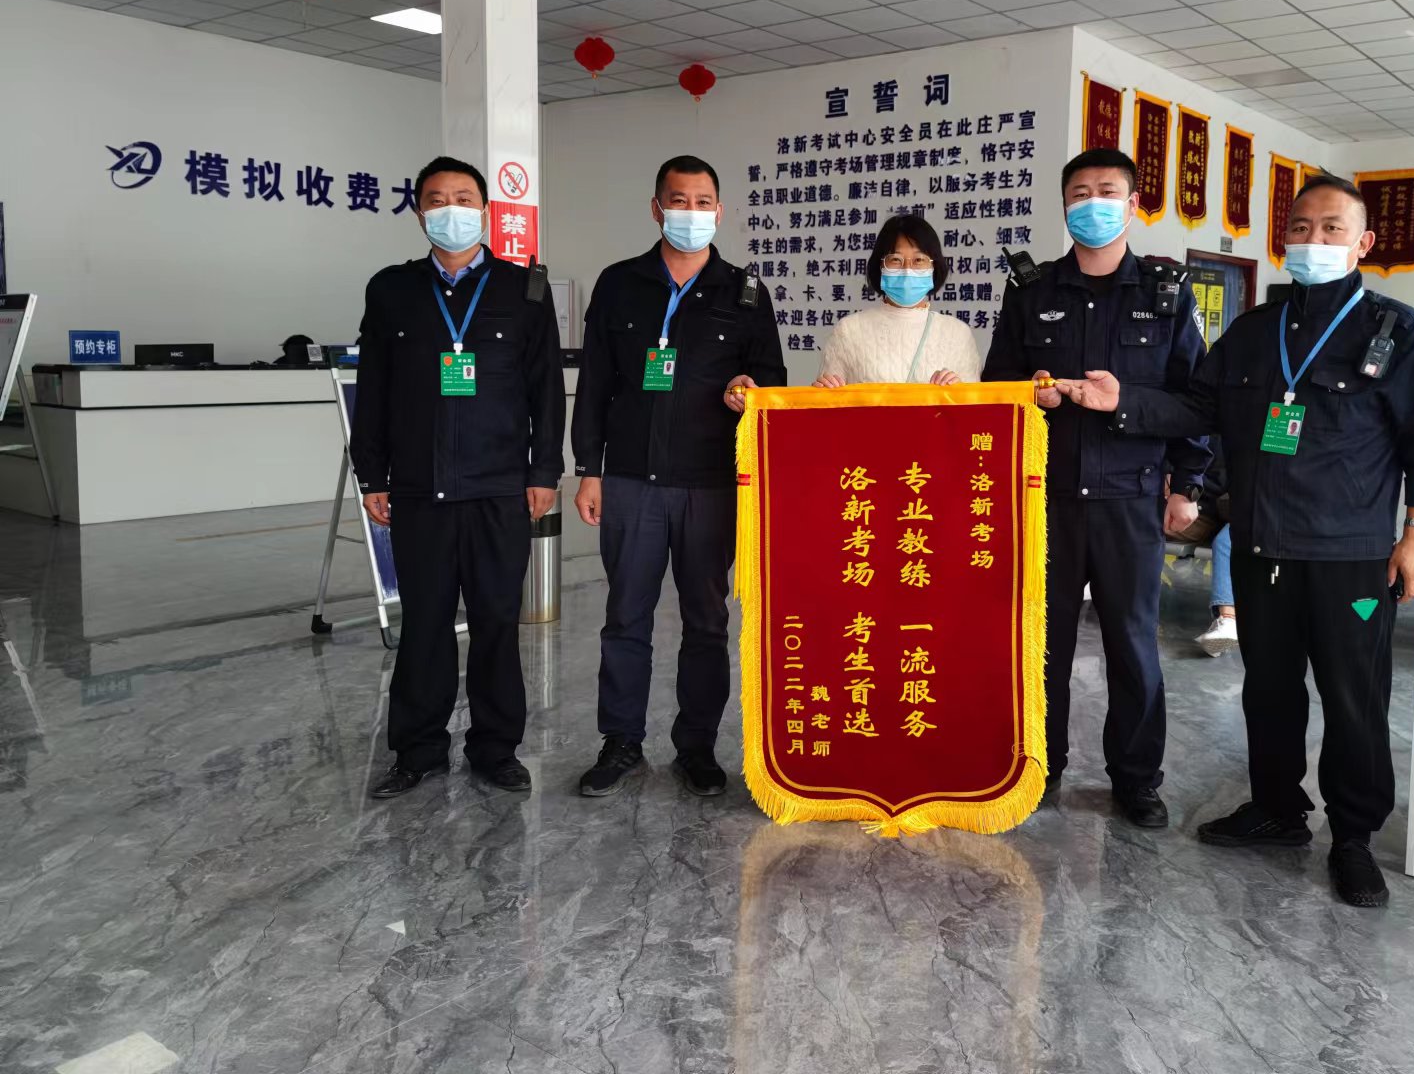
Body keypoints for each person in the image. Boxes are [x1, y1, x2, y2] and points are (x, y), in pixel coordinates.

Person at [1054, 173, 1414, 908]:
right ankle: (1277, 809)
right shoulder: (1254, 332)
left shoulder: (1397, 332)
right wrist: (1124, 401)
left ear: (1364, 243)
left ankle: (1353, 837)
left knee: (1353, 698)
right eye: (1300, 228)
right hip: (1261, 549)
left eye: (1332, 228)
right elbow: (1196, 407)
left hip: (1350, 556)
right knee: (1269, 690)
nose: (1314, 240)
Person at [983, 147, 1210, 828]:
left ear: (1132, 205)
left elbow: (1195, 404)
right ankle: (1040, 765)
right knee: (1040, 642)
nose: (1092, 204)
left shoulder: (1165, 293)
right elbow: (995, 389)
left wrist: (1184, 480)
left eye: (1107, 192)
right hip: (1044, 499)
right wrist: (1031, 395)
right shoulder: (1032, 293)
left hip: (1130, 498)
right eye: (1079, 193)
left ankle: (1136, 780)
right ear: (1064, 205)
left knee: (1133, 646)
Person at [571, 155, 786, 799]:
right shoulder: (619, 283)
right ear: (656, 207)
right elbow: (595, 383)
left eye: (702, 202)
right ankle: (621, 742)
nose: (690, 212)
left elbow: (771, 381)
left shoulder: (745, 292)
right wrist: (588, 469)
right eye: (678, 200)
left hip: (710, 483)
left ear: (719, 211)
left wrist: (749, 387)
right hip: (630, 480)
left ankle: (696, 746)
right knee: (625, 616)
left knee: (707, 621)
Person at [353, 155, 565, 799]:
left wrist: (544, 470)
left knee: (497, 621)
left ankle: (496, 749)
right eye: (438, 199)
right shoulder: (391, 290)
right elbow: (374, 389)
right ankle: (417, 750)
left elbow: (545, 390)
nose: (452, 210)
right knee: (425, 623)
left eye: (464, 198)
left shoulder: (524, 289)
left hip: (499, 487)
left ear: (485, 211)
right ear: (420, 212)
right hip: (419, 488)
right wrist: (372, 474)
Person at [814, 213, 983, 387]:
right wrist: (824, 391)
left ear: (934, 267)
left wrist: (959, 391)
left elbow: (978, 402)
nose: (907, 269)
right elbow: (827, 400)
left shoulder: (957, 334)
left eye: (919, 260)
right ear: (880, 266)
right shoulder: (849, 330)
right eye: (895, 259)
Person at [1163, 440, 1237, 656]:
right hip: (1203, 506)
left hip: (1245, 510)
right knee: (1143, 523)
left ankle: (1227, 620)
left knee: (1226, 542)